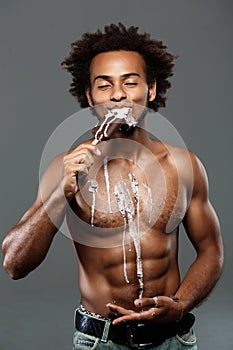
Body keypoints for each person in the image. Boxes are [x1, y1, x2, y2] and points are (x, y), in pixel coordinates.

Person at [2, 23, 224, 349]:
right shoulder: (64, 169)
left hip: (173, 339)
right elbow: (14, 265)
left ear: (150, 89)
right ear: (90, 96)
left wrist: (181, 304)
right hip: (99, 340)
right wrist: (61, 192)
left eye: (130, 82)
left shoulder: (183, 166)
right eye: (104, 86)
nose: (118, 94)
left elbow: (211, 250)